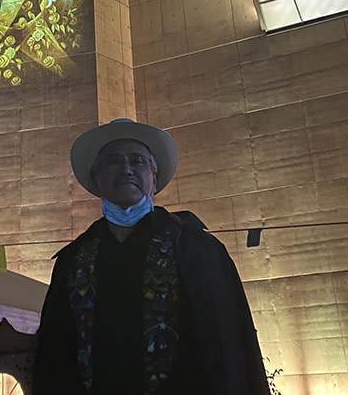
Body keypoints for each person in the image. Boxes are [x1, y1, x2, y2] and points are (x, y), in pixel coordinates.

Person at [33, 119, 269, 395]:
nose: (126, 169)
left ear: (154, 179)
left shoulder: (199, 251)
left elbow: (233, 350)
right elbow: (53, 360)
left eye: (138, 161)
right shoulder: (72, 263)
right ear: (96, 179)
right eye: (113, 162)